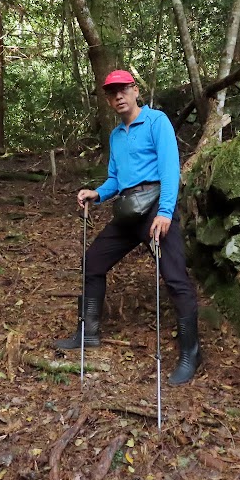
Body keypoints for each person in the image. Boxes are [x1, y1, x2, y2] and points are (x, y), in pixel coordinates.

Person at [54, 69, 201, 385]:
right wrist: (97, 192)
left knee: (175, 277)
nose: (118, 96)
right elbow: (116, 180)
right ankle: (88, 332)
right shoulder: (115, 135)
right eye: (112, 92)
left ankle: (191, 352)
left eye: (123, 89)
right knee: (92, 263)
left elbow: (170, 170)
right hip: (127, 212)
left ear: (136, 91)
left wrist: (165, 212)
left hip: (155, 212)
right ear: (108, 100)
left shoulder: (156, 121)